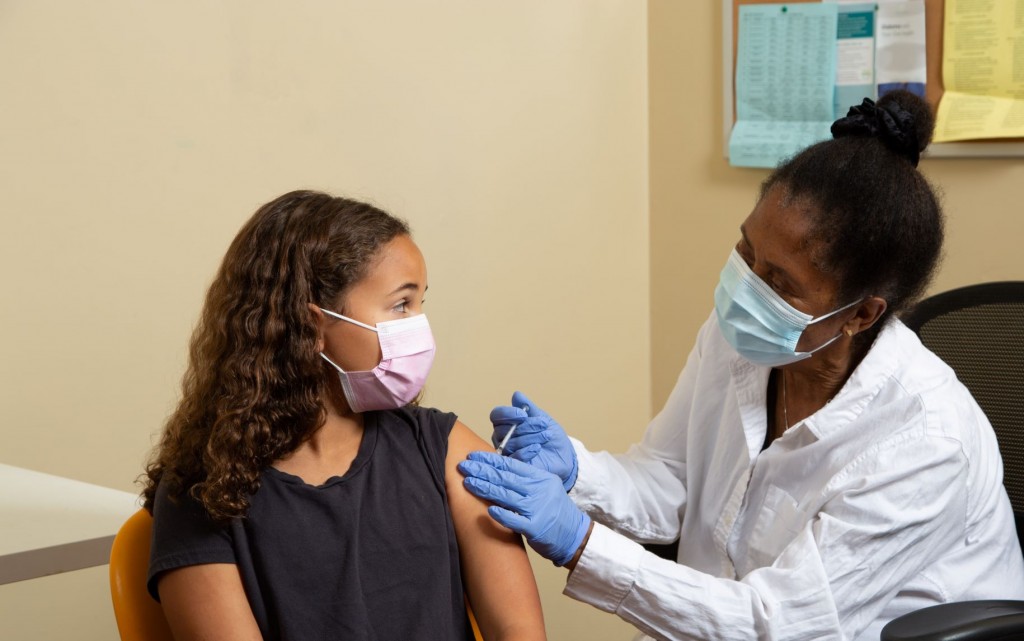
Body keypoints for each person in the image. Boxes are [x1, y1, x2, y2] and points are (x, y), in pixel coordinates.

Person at [457, 90, 1024, 640]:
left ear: (861, 314)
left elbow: (774, 623)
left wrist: (580, 543)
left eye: (781, 282)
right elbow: (671, 481)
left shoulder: (927, 442)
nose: (747, 288)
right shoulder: (746, 338)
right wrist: (578, 474)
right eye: (747, 251)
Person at [142, 190, 546, 641]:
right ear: (312, 325)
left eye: (420, 304)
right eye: (401, 305)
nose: (419, 327)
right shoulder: (206, 491)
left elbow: (519, 632)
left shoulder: (443, 447)